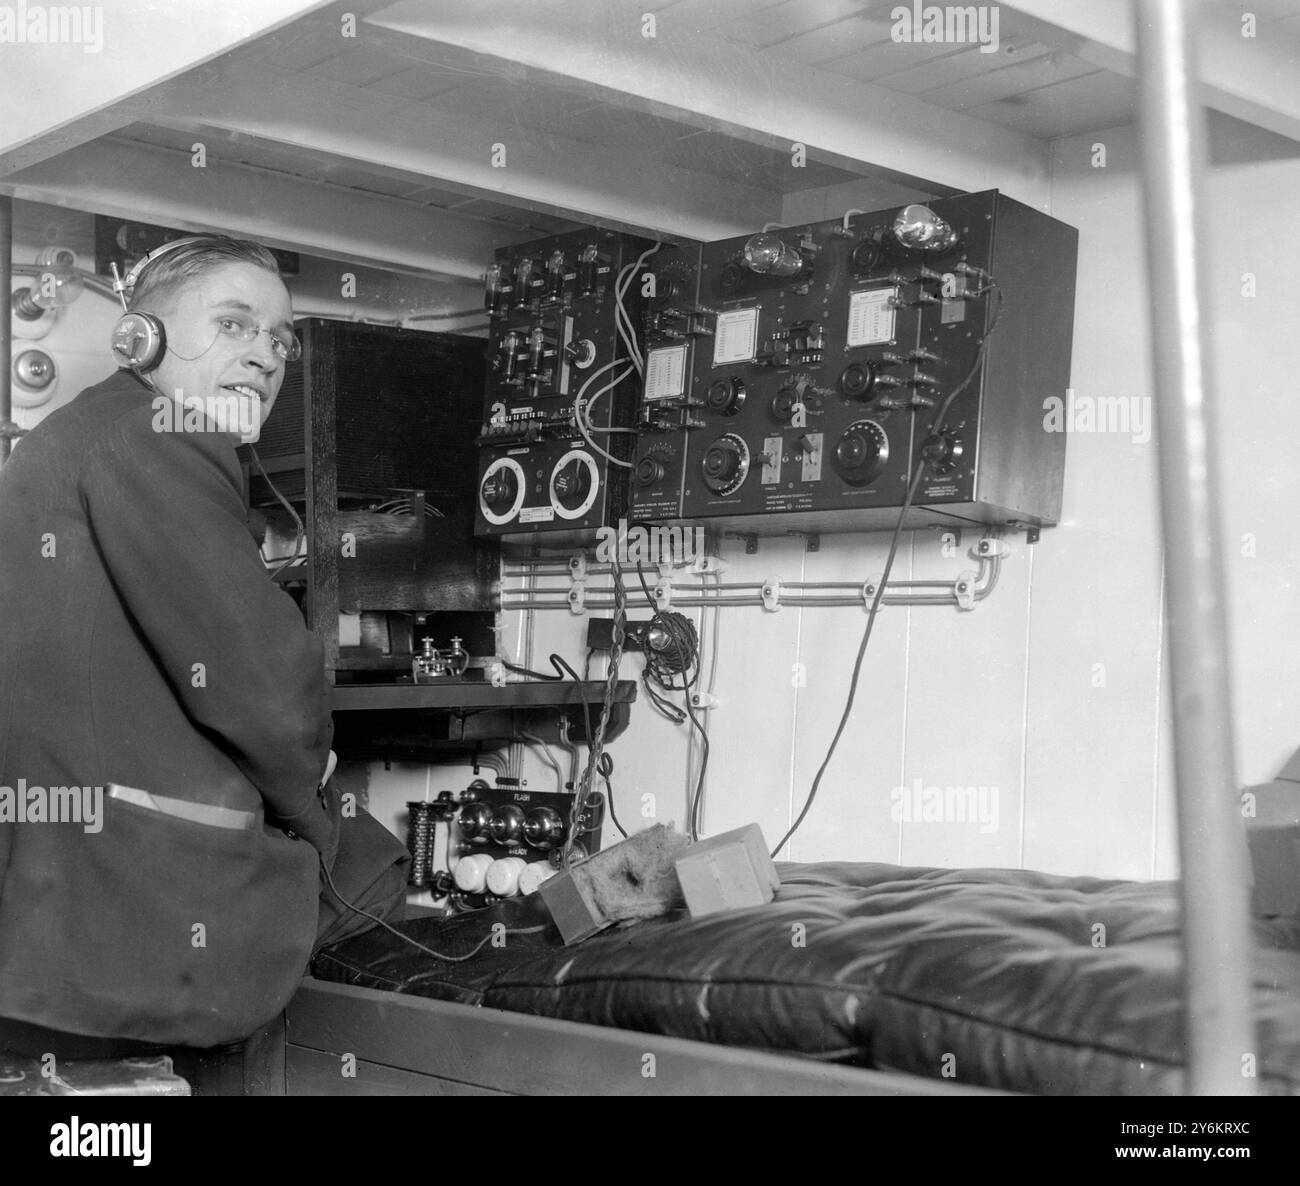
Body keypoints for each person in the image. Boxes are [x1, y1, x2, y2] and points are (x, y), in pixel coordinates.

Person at [0, 235, 406, 1059]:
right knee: (378, 869)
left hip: (50, 902)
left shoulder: (84, 433)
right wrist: (314, 805)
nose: (265, 355)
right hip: (130, 906)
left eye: (280, 338)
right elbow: (259, 684)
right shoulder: (157, 430)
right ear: (138, 338)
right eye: (233, 323)